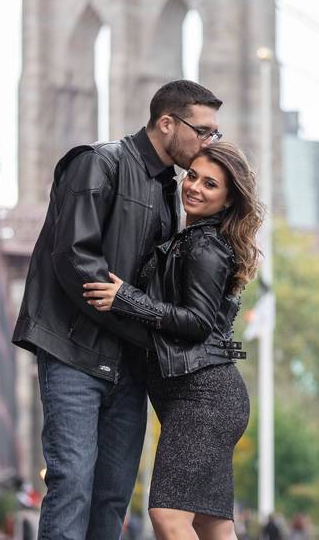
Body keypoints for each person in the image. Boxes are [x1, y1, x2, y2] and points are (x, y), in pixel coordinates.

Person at [11, 79, 224, 539]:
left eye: (214, 134)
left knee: (112, 495)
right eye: (203, 131)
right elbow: (76, 260)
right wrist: (145, 327)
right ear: (167, 123)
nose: (209, 142)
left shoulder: (172, 190)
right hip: (74, 353)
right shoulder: (97, 163)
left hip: (129, 366)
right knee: (71, 482)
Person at [83, 142, 262, 540]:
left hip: (203, 396)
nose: (194, 187)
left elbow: (197, 322)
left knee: (167, 514)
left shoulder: (204, 244)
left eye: (210, 184)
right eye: (192, 176)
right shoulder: (198, 238)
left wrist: (127, 299)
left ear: (228, 199)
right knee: (212, 523)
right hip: (209, 396)